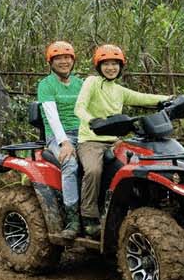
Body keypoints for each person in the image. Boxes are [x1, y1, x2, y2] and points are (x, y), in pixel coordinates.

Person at [73, 44, 167, 238]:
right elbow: (79, 107)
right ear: (99, 66)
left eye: (115, 64)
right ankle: (89, 217)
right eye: (106, 64)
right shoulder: (91, 82)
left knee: (135, 170)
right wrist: (91, 120)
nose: (111, 68)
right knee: (93, 170)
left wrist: (169, 99)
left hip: (116, 142)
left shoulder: (119, 90)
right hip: (91, 141)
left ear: (120, 67)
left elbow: (143, 98)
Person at [37, 40, 83, 237]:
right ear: (51, 62)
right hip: (57, 136)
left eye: (67, 58)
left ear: (73, 61)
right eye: (59, 58)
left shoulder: (81, 83)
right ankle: (72, 219)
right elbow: (51, 116)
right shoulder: (46, 85)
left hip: (83, 133)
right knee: (70, 164)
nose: (64, 62)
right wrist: (64, 142)